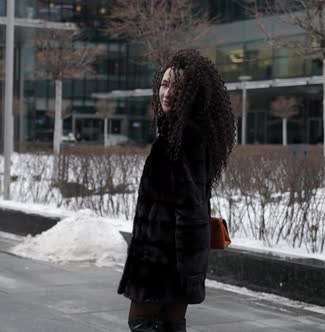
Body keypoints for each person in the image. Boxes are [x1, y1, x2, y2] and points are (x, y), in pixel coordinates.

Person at [117, 49, 236, 332]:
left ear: (193, 93)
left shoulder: (181, 138)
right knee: (171, 324)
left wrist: (184, 266)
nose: (167, 93)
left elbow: (190, 204)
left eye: (178, 87)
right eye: (165, 84)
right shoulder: (190, 133)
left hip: (163, 258)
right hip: (175, 256)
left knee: (142, 321)